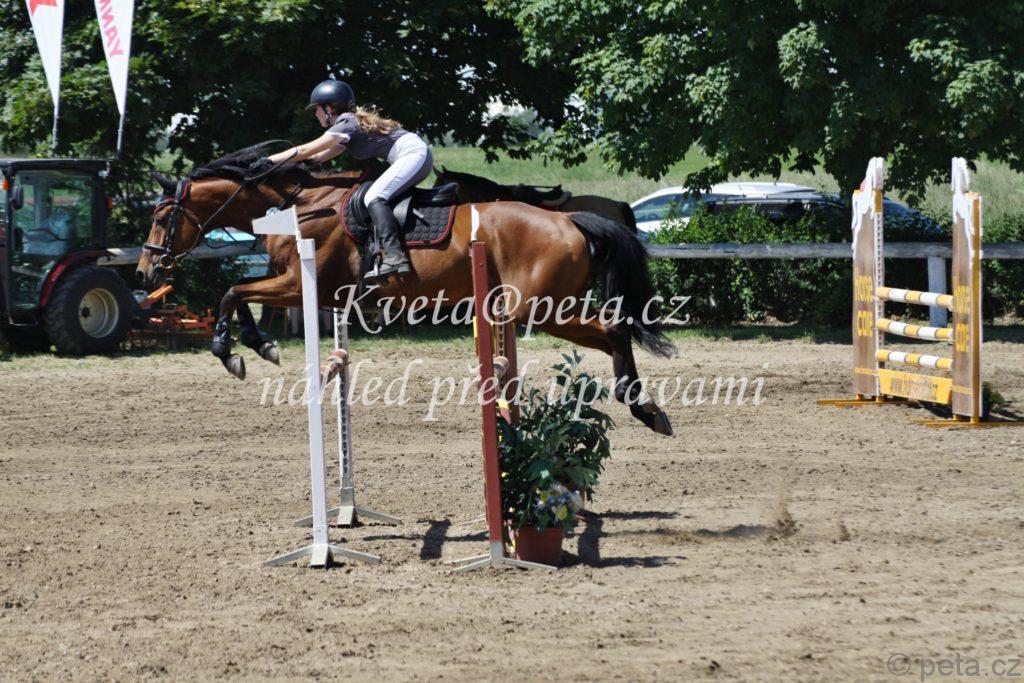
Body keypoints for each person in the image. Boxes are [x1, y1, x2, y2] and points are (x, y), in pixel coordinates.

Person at [259, 79, 433, 280]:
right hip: (415, 155)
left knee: (373, 197)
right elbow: (317, 157)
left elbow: (306, 149)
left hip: (413, 154)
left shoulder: (346, 123)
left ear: (329, 108)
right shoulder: (348, 127)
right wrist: (291, 166)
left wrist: (269, 160)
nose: (315, 114)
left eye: (317, 109)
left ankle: (395, 256)